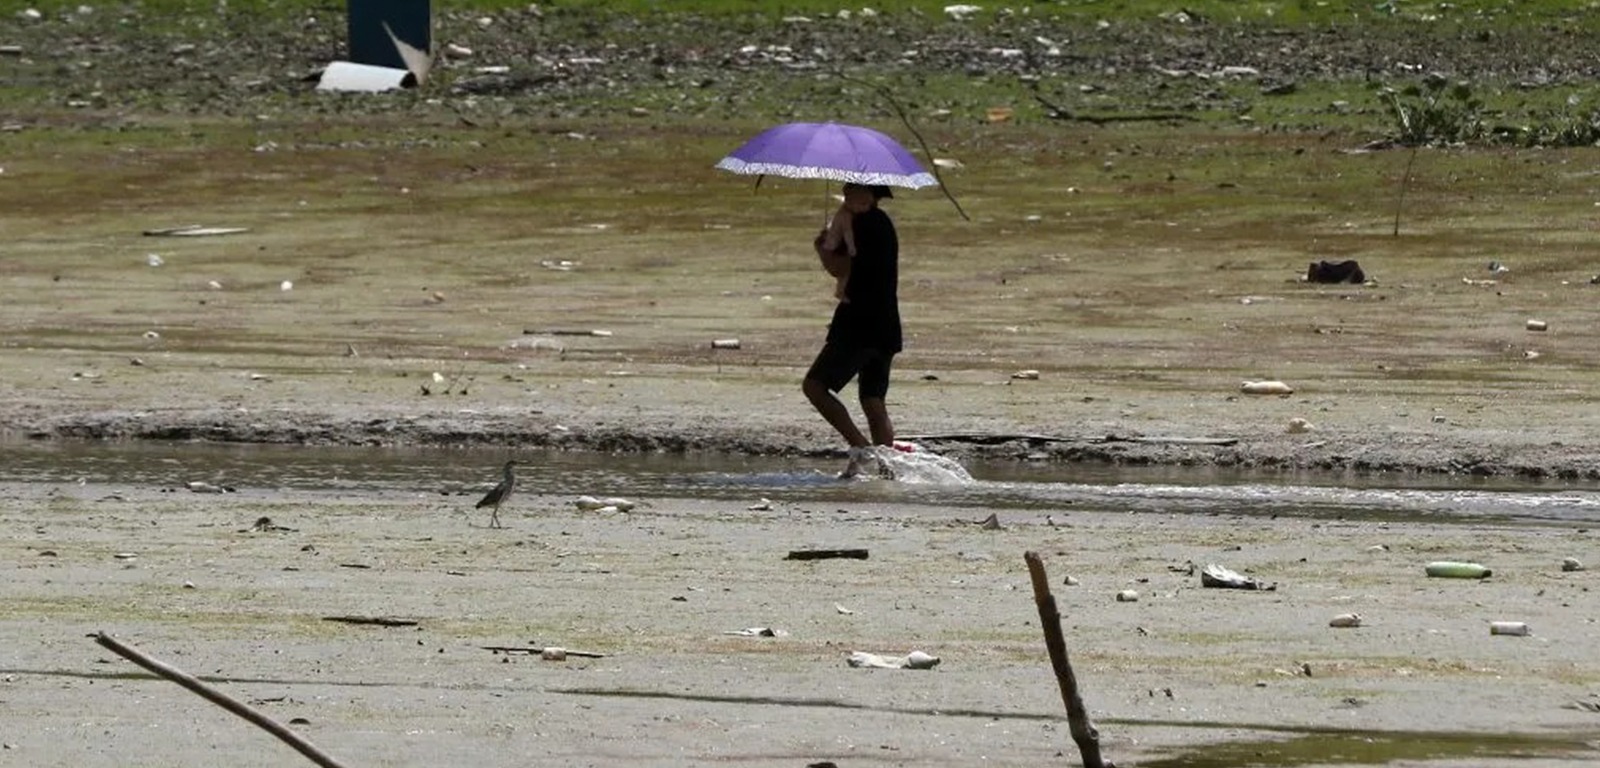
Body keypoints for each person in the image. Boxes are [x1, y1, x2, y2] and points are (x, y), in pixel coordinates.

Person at [802, 182, 901, 478]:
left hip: (859, 321)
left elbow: (841, 267)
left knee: (815, 387)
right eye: (846, 192)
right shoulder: (883, 222)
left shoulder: (858, 223)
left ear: (871, 195)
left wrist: (822, 249)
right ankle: (887, 471)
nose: (848, 197)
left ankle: (861, 448)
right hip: (886, 321)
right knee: (872, 400)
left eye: (854, 192)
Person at [819, 201, 856, 302]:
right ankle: (840, 292)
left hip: (825, 248)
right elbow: (848, 235)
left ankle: (840, 291)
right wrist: (853, 250)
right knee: (846, 270)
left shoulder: (841, 214)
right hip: (832, 251)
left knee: (843, 272)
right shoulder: (846, 216)